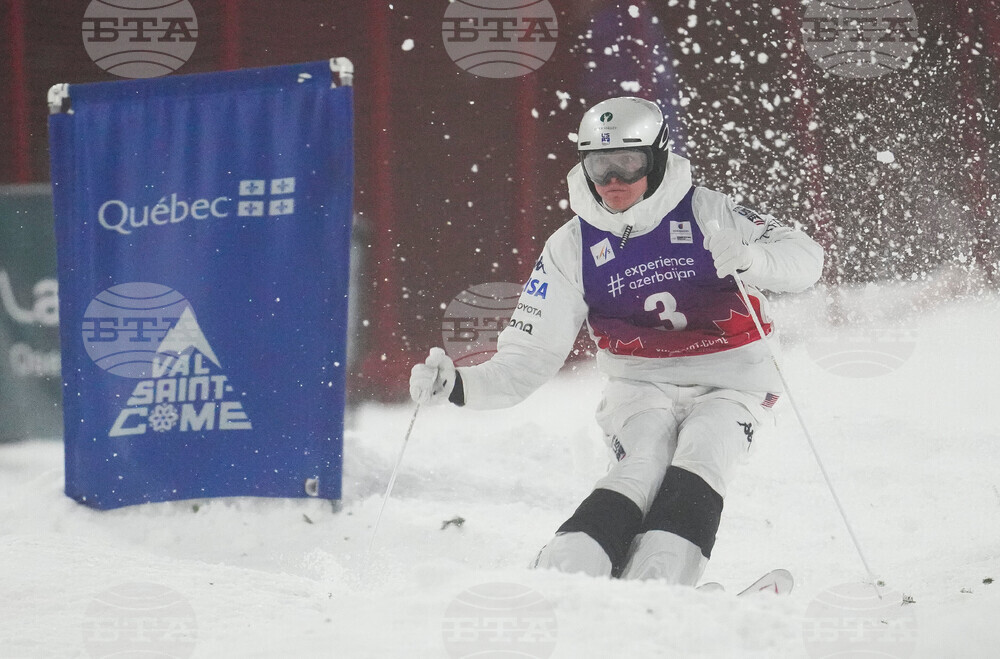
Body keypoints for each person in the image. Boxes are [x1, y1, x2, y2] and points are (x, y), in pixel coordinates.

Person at [409, 97, 824, 585]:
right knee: (642, 462)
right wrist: (457, 384)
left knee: (704, 451)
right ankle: (565, 571)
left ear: (658, 158)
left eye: (628, 162)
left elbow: (807, 260)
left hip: (735, 379)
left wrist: (754, 260)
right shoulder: (571, 245)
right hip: (639, 383)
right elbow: (527, 357)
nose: (612, 181)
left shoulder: (708, 210)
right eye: (598, 165)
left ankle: (659, 584)